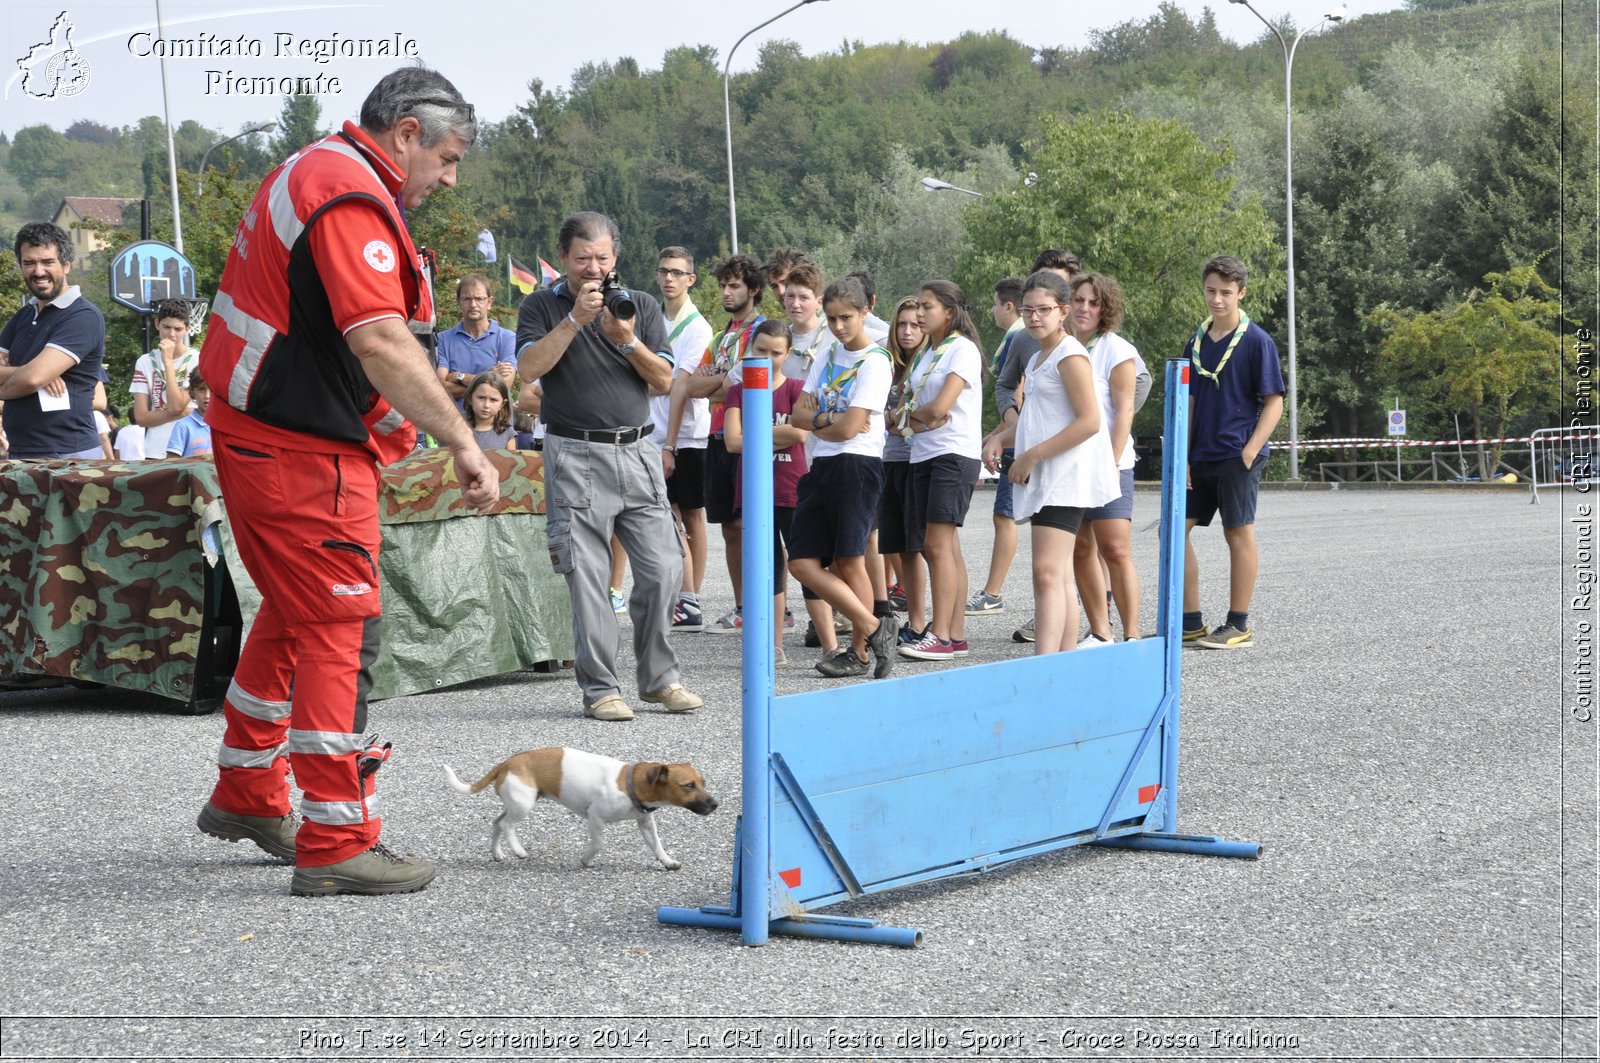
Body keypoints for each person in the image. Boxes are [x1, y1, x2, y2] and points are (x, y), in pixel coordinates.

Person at [193, 67, 500, 897]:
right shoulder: (350, 195)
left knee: (299, 612)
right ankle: (337, 838)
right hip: (298, 449)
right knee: (338, 622)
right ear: (405, 133)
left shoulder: (316, 168)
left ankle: (249, 791)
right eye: (447, 157)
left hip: (264, 431)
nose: (448, 177)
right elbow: (381, 342)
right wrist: (463, 441)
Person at [516, 210, 703, 721]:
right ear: (564, 260)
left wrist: (627, 339)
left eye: (602, 258)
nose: (593, 269)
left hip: (638, 451)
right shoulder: (539, 305)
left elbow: (664, 381)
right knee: (590, 578)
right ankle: (601, 689)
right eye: (583, 259)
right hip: (574, 454)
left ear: (615, 258)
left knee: (664, 568)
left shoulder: (639, 304)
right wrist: (575, 320)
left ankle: (660, 680)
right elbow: (528, 370)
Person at [982, 271, 1119, 654]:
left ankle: (1045, 663)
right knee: (1056, 575)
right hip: (1050, 475)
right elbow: (1037, 418)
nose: (1034, 317)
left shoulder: (1070, 354)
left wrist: (1031, 455)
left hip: (1066, 475)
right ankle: (1062, 660)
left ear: (1062, 311)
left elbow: (1090, 422)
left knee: (1046, 573)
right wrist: (999, 438)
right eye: (1028, 310)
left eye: (1044, 309)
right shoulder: (1041, 355)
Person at [789, 276, 899, 679]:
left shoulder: (876, 361)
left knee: (850, 560)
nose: (838, 326)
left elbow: (853, 429)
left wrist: (826, 420)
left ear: (866, 312)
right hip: (822, 464)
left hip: (856, 465)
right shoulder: (829, 351)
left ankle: (860, 652)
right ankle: (875, 627)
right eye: (832, 318)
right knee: (801, 561)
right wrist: (830, 420)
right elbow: (798, 415)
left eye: (847, 318)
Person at [1183, 255, 1284, 650]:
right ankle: (1191, 623)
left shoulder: (1257, 340)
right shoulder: (1195, 341)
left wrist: (1250, 450)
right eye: (1211, 291)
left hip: (1236, 453)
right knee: (1174, 533)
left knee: (1236, 533)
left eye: (1226, 293)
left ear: (1241, 293)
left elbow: (1273, 401)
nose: (1217, 300)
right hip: (1199, 456)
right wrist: (1183, 454)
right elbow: (1188, 401)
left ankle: (1237, 624)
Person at [897, 280, 985, 662]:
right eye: (918, 306)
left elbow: (939, 408)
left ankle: (942, 635)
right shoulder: (923, 354)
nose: (918, 314)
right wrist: (911, 421)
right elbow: (910, 410)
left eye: (927, 307)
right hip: (924, 453)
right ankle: (956, 636)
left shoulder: (961, 349)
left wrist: (909, 420)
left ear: (949, 312)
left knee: (935, 545)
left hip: (952, 453)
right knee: (945, 547)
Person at [684, 253, 766, 634]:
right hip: (716, 436)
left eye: (734, 285)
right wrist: (722, 377)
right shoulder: (720, 337)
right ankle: (742, 606)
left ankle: (772, 606)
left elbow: (749, 379)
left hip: (750, 435)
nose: (726, 292)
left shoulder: (763, 331)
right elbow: (694, 388)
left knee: (758, 524)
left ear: (753, 289)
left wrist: (718, 380)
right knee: (730, 527)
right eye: (722, 286)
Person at [723, 320, 811, 668]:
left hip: (792, 488)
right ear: (750, 350)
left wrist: (754, 433)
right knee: (767, 567)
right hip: (756, 491)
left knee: (806, 563)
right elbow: (732, 442)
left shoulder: (795, 388)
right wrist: (779, 431)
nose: (769, 358)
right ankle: (774, 644)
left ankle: (830, 638)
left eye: (776, 352)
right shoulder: (737, 391)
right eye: (761, 351)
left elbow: (801, 434)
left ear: (788, 354)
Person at [1069, 272, 1143, 644]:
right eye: (1079, 300)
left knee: (1114, 548)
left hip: (1110, 463)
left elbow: (1125, 410)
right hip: (1071, 465)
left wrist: (1111, 463)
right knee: (1081, 548)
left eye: (1093, 302)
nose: (1084, 307)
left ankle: (1132, 634)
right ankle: (1101, 631)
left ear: (1105, 309)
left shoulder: (1117, 349)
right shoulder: (1063, 346)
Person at [0, 222, 107, 460]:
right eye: (29, 263)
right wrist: (32, 372)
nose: (38, 271)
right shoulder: (23, 316)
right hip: (20, 453)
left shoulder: (83, 316)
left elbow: (32, 379)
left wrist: (14, 384)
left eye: (48, 262)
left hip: (69, 456)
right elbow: (32, 375)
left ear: (66, 265)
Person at [656, 246, 715, 633]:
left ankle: (691, 597)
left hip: (687, 435)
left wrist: (671, 444)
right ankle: (679, 593)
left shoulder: (698, 327)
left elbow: (681, 385)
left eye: (677, 273)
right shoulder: (653, 318)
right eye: (663, 272)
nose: (669, 279)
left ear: (690, 279)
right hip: (653, 430)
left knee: (690, 515)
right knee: (668, 513)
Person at [968, 276, 1027, 617]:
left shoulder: (1018, 336)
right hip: (1017, 435)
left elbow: (1017, 396)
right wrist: (993, 435)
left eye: (994, 304)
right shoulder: (1024, 334)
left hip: (1020, 442)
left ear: (1008, 306)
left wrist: (1001, 439)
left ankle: (992, 593)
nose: (992, 311)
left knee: (1004, 515)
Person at [880, 296, 930, 644]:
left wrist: (898, 420)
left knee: (923, 545)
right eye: (902, 324)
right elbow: (882, 418)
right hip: (890, 460)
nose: (908, 331)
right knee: (899, 547)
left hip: (922, 461)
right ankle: (912, 621)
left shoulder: (931, 364)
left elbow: (925, 419)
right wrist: (898, 420)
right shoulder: (885, 364)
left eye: (915, 324)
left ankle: (926, 621)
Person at [436, 274, 515, 409]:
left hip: (496, 426)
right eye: (466, 299)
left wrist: (458, 376)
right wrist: (488, 378)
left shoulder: (507, 338)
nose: (473, 304)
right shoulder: (443, 339)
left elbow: (503, 386)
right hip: (455, 423)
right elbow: (439, 387)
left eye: (479, 299)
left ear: (489, 302)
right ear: (458, 302)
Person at [130, 301, 198, 458]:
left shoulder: (197, 359)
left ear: (187, 329)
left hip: (190, 449)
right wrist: (180, 413)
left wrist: (167, 361)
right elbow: (141, 417)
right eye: (167, 327)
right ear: (157, 324)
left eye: (178, 329)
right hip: (155, 450)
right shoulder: (145, 361)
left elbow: (175, 405)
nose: (172, 334)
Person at [164, 372, 214, 458]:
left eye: (211, 389)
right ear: (192, 391)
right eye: (201, 389)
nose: (207, 396)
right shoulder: (183, 426)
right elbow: (172, 463)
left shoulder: (225, 425)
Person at [464, 371, 516, 450]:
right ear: (470, 398)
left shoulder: (507, 433)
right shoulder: (457, 428)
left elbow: (512, 461)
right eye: (481, 398)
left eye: (493, 400)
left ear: (502, 404)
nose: (486, 405)